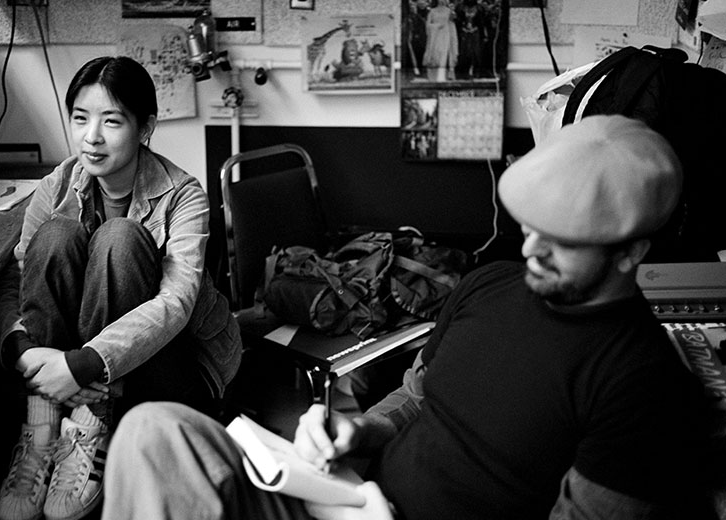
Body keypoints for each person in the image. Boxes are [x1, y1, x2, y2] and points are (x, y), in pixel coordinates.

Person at [101, 115, 713, 519]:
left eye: (562, 240)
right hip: (347, 497)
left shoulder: (644, 385)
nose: (531, 248)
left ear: (631, 253)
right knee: (154, 431)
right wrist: (357, 430)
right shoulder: (492, 285)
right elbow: (418, 397)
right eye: (531, 226)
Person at [0, 56, 242, 520]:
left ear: (145, 127)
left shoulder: (184, 195)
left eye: (111, 121)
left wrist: (81, 365)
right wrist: (23, 350)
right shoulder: (57, 184)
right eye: (80, 118)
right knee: (55, 234)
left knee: (120, 238)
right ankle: (42, 427)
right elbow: (19, 276)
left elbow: (175, 303)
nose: (92, 137)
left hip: (177, 360)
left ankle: (90, 426)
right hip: (67, 365)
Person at [423, 0, 459, 81]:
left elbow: (452, 25)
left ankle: (442, 77)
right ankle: (433, 78)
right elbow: (427, 26)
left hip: (446, 36)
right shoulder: (432, 11)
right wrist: (437, 26)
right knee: (435, 56)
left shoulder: (449, 11)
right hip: (434, 38)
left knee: (444, 56)